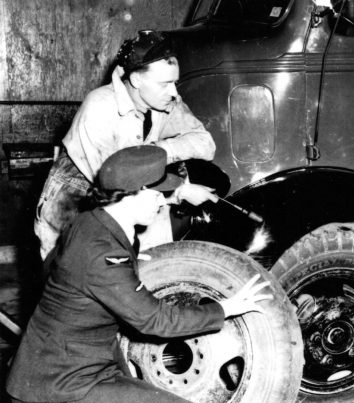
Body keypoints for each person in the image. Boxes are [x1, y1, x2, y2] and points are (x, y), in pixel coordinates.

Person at [6, 145, 272, 403]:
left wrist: (125, 264)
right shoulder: (103, 254)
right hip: (57, 391)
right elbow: (156, 320)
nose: (163, 202)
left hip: (68, 369)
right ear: (131, 194)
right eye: (157, 194)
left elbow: (63, 270)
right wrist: (225, 308)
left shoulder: (90, 222)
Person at [34, 29, 218, 260]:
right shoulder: (100, 106)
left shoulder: (164, 102)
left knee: (152, 272)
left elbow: (205, 144)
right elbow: (115, 186)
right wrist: (180, 190)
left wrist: (156, 153)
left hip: (138, 191)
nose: (173, 92)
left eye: (175, 82)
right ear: (136, 79)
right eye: (165, 83)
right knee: (74, 285)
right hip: (77, 199)